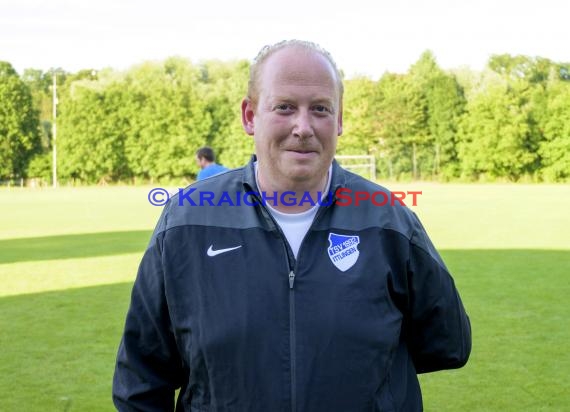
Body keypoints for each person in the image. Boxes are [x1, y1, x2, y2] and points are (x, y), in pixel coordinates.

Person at [113, 40, 471, 411]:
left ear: (340, 119)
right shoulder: (185, 223)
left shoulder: (390, 222)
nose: (303, 127)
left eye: (320, 109)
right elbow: (141, 378)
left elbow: (448, 344)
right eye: (284, 107)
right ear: (250, 116)